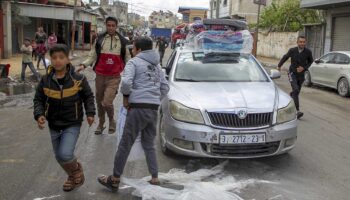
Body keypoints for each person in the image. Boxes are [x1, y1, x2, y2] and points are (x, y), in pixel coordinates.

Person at [97, 37, 169, 191]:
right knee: (149, 144)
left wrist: (126, 97)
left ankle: (115, 179)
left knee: (125, 144)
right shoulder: (157, 66)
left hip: (137, 109)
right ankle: (154, 178)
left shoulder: (134, 62)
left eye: (134, 48)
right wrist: (154, 100)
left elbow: (127, 83)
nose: (132, 51)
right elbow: (164, 88)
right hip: (153, 109)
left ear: (139, 50)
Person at [33, 44, 96, 192]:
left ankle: (75, 171)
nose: (57, 61)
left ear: (68, 59)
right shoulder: (45, 80)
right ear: (50, 59)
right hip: (53, 123)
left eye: (61, 57)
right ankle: (73, 176)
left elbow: (88, 97)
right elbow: (38, 100)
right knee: (59, 156)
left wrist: (90, 113)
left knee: (65, 153)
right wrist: (39, 114)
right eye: (54, 58)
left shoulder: (78, 79)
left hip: (72, 122)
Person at [76, 16, 130, 135]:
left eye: (113, 25)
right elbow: (92, 56)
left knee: (106, 102)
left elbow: (127, 58)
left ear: (117, 26)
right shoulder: (99, 39)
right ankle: (101, 123)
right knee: (99, 102)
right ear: (106, 25)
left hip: (114, 77)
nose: (111, 27)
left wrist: (130, 72)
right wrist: (83, 65)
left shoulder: (122, 41)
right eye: (109, 25)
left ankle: (111, 120)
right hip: (100, 76)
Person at [278, 35, 313, 119]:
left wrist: (303, 68)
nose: (302, 43)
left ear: (305, 43)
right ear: (297, 42)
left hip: (301, 75)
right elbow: (285, 57)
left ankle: (292, 94)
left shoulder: (308, 52)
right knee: (296, 89)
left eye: (304, 42)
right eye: (300, 42)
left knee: (296, 92)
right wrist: (279, 66)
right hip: (292, 73)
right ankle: (297, 111)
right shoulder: (292, 50)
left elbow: (310, 61)